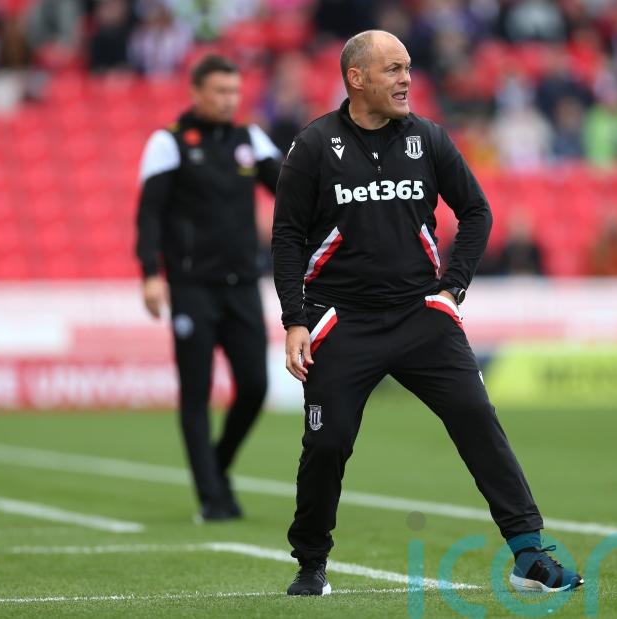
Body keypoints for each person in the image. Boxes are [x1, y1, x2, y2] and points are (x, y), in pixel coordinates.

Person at [272, 30, 583, 596]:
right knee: (328, 443)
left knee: (477, 418)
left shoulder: (429, 138)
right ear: (356, 78)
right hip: (341, 320)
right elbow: (287, 236)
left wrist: (452, 289)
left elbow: (477, 212)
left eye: (408, 68)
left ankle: (528, 554)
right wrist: (295, 318)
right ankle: (311, 562)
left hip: (421, 315)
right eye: (392, 69)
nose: (406, 79)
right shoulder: (314, 145)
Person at [135, 54, 282, 522]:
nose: (228, 100)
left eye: (234, 92)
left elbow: (291, 191)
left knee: (255, 385)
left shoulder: (249, 140)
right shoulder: (169, 142)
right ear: (196, 92)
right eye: (219, 91)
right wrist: (150, 273)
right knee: (196, 391)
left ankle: (216, 467)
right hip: (192, 286)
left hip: (242, 284)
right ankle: (213, 497)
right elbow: (149, 214)